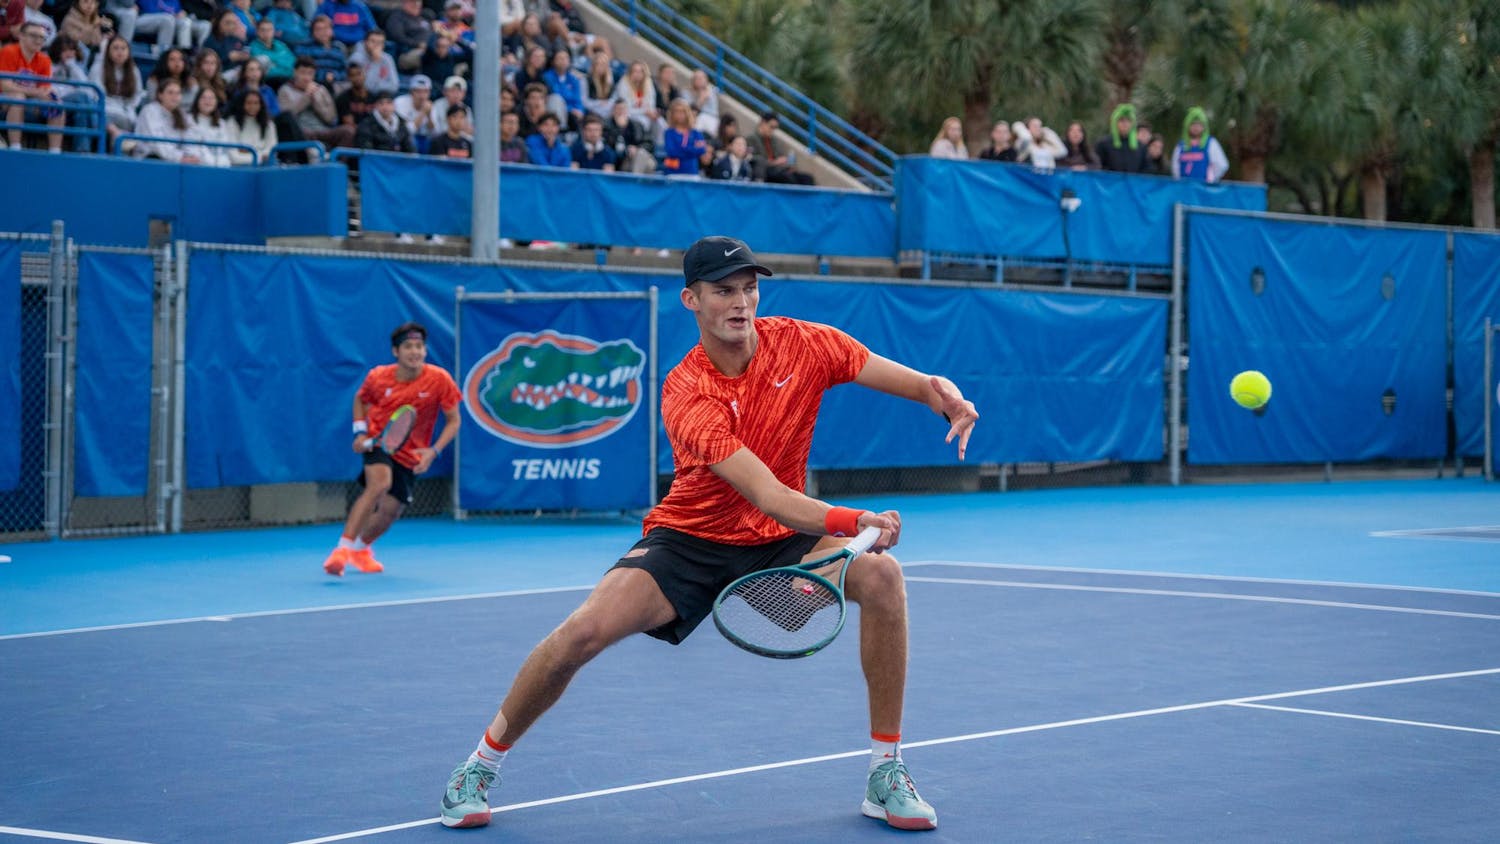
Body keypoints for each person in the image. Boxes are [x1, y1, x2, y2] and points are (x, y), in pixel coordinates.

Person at [437, 235, 977, 832]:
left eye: (749, 288)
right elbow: (766, 492)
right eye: (724, 291)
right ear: (691, 300)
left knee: (882, 576)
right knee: (580, 636)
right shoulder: (687, 392)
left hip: (782, 536)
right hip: (692, 538)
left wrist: (944, 395)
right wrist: (856, 522)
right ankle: (479, 766)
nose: (741, 302)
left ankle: (886, 772)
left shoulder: (804, 344)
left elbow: (907, 380)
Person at [323, 321, 460, 577]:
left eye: (419, 346)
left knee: (389, 513)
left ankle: (360, 550)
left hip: (410, 454)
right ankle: (341, 551)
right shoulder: (377, 377)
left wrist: (433, 451)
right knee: (379, 484)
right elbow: (360, 399)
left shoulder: (439, 379)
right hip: (379, 442)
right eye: (408, 346)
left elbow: (454, 420)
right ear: (396, 352)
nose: (415, 352)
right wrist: (360, 431)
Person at [0, 22, 64, 152]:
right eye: (34, 36)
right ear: (21, 36)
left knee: (56, 101)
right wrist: (35, 92)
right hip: (4, 101)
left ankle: (55, 152)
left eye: (42, 37)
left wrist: (48, 95)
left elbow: (45, 89)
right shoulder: (9, 51)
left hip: (31, 101)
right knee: (18, 97)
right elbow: (4, 85)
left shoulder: (44, 59)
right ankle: (15, 147)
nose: (38, 40)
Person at [278, 55, 354, 149]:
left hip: (323, 131)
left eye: (310, 74)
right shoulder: (285, 90)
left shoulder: (321, 90)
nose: (306, 78)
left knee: (348, 132)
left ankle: (337, 162)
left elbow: (331, 119)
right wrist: (306, 97)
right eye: (302, 73)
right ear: (295, 72)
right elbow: (286, 117)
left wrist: (316, 102)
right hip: (301, 131)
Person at [90, 34, 143, 148]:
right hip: (106, 111)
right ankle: (117, 138)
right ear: (108, 51)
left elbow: (137, 95)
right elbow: (95, 94)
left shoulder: (134, 70)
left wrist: (129, 108)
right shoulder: (98, 68)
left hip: (127, 113)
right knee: (101, 116)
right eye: (115, 48)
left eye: (123, 48)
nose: (120, 52)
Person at [131, 77, 198, 161]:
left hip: (174, 161)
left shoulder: (184, 116)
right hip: (149, 159)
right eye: (170, 93)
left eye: (178, 93)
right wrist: (180, 157)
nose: (175, 96)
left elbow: (190, 140)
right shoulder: (150, 111)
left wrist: (190, 156)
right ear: (160, 95)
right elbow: (156, 143)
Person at [752, 111, 812, 185]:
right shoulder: (752, 139)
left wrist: (786, 163)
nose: (773, 130)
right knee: (787, 178)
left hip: (779, 170)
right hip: (767, 171)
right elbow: (754, 160)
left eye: (775, 128)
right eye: (771, 127)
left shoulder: (774, 140)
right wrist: (774, 162)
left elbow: (781, 157)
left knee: (807, 178)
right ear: (763, 123)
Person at [1172, 105, 1228, 183]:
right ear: (1187, 126)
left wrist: (1210, 180)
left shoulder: (1211, 143)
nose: (1196, 127)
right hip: (1184, 190)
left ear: (1204, 127)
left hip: (1203, 191)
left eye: (1199, 124)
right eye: (1193, 124)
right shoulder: (1181, 145)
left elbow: (1222, 165)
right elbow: (1175, 168)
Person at [184, 85, 233, 165]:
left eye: (211, 98)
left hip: (220, 167)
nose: (208, 101)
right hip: (197, 167)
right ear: (197, 101)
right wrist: (211, 163)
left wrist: (219, 163)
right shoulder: (188, 120)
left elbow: (224, 149)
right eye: (203, 97)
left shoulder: (221, 123)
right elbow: (191, 149)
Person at [228, 85, 276, 164]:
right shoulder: (232, 122)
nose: (252, 106)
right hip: (240, 169)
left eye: (256, 103)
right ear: (241, 104)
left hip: (264, 168)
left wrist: (248, 153)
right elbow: (234, 157)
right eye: (248, 103)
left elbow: (272, 151)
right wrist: (260, 155)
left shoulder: (268, 123)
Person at [660, 97, 706, 177]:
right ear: (672, 114)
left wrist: (682, 149)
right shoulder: (669, 133)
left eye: (682, 112)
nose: (680, 115)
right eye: (677, 111)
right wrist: (692, 148)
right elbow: (672, 152)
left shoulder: (695, 133)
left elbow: (701, 150)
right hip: (673, 173)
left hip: (691, 172)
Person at [1095, 103, 1146, 173]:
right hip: (1111, 183)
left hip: (1133, 183)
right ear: (1115, 122)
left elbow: (1145, 170)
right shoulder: (1103, 144)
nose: (1125, 123)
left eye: (1128, 120)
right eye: (1121, 120)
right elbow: (1098, 167)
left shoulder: (1141, 147)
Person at [249, 17, 296, 85]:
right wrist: (285, 68)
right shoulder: (253, 48)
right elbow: (266, 72)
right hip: (271, 82)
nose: (266, 33)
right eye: (263, 30)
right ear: (257, 32)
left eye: (269, 30)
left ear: (274, 31)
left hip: (290, 79)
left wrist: (275, 63)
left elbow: (293, 63)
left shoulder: (281, 45)